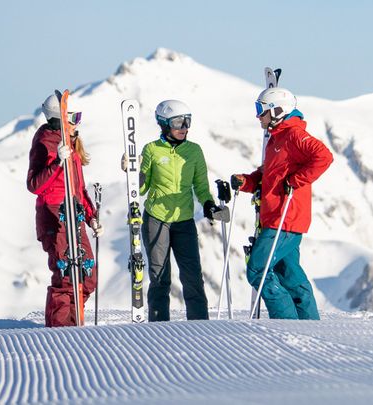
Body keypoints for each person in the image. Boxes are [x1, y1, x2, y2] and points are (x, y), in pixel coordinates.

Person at [231, 87, 333, 320]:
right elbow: (268, 175)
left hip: (285, 218)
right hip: (277, 216)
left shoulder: (294, 135)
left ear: (277, 111)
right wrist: (245, 182)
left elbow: (324, 157)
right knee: (289, 274)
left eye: (261, 110)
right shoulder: (276, 138)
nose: (258, 116)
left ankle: (286, 322)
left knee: (259, 269)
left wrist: (296, 180)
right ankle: (309, 323)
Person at [121, 99, 227, 321]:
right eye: (179, 122)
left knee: (193, 278)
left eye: (188, 121)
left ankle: (200, 326)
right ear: (164, 123)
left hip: (184, 220)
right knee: (160, 277)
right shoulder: (151, 150)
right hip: (156, 219)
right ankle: (159, 327)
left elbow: (200, 186)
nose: (184, 127)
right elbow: (141, 188)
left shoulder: (194, 151)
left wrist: (208, 204)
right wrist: (133, 171)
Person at [27, 93, 103, 327]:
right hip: (54, 217)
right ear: (60, 118)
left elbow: (77, 187)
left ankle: (71, 324)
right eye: (75, 117)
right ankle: (60, 332)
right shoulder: (44, 143)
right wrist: (56, 162)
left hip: (75, 215)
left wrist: (91, 217)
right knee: (67, 277)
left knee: (87, 278)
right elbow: (34, 185)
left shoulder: (70, 144)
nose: (78, 123)